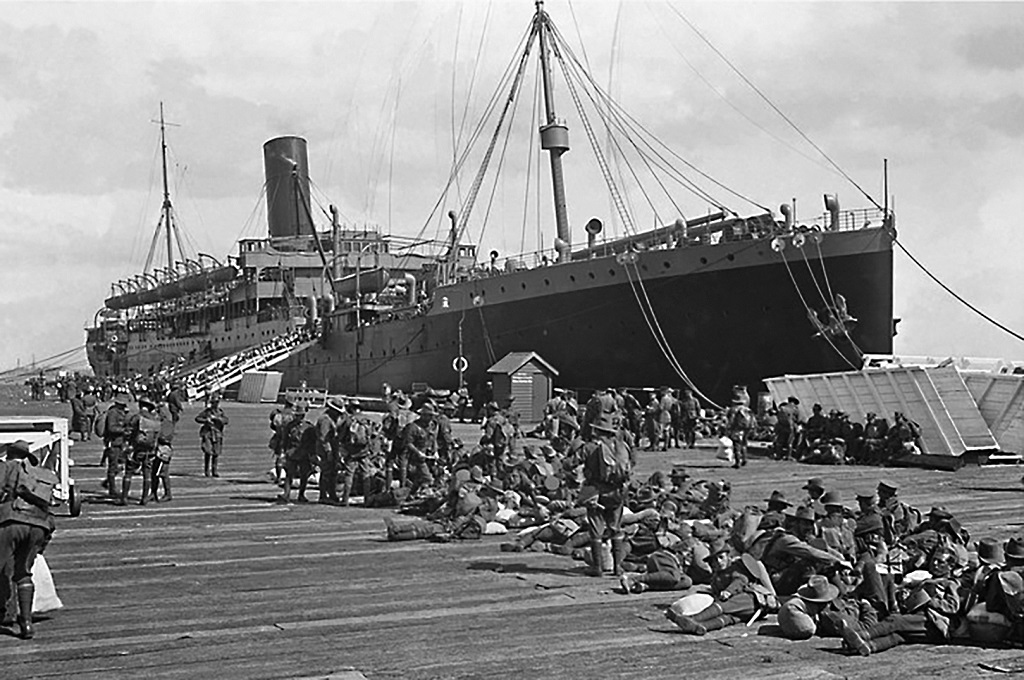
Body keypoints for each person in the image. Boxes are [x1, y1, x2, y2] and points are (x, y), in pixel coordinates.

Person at [0, 440, 57, 639]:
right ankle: (26, 623)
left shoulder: (6, 467)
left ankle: (4, 614)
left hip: (11, 520)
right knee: (23, 573)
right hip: (40, 525)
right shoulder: (39, 474)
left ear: (9, 454)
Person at [580, 413, 632, 577]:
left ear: (597, 431)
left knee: (596, 529)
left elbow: (570, 464)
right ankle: (618, 567)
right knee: (616, 528)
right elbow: (631, 466)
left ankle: (597, 568)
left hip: (597, 492)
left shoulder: (589, 448)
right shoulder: (622, 447)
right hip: (617, 492)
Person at [125, 396, 162, 505]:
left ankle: (124, 497)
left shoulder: (137, 417)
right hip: (150, 450)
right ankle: (144, 498)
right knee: (147, 474)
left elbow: (129, 431)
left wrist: (128, 444)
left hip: (136, 448)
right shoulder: (155, 419)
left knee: (128, 472)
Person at [340, 400, 376, 506]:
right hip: (364, 451)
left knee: (349, 475)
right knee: (366, 475)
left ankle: (345, 499)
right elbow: (371, 435)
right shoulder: (366, 420)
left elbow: (342, 435)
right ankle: (367, 499)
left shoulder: (348, 420)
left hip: (351, 451)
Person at [315, 397, 346, 505]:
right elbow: (323, 438)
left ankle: (332, 494)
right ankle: (323, 495)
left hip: (333, 447)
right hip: (326, 449)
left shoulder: (332, 419)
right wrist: (329, 452)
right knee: (326, 472)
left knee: (333, 472)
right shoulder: (325, 420)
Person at [103, 392, 132, 502]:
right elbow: (111, 428)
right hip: (114, 441)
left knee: (121, 464)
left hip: (121, 442)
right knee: (113, 465)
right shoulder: (113, 412)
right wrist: (123, 430)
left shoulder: (122, 412)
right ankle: (112, 488)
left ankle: (109, 482)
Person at [195, 393, 228, 477]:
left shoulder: (220, 412)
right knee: (208, 451)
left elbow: (226, 421)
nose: (215, 404)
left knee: (216, 453)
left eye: (216, 402)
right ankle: (206, 471)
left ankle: (214, 470)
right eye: (213, 402)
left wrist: (217, 419)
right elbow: (197, 418)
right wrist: (206, 420)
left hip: (217, 434)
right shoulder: (207, 411)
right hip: (208, 433)